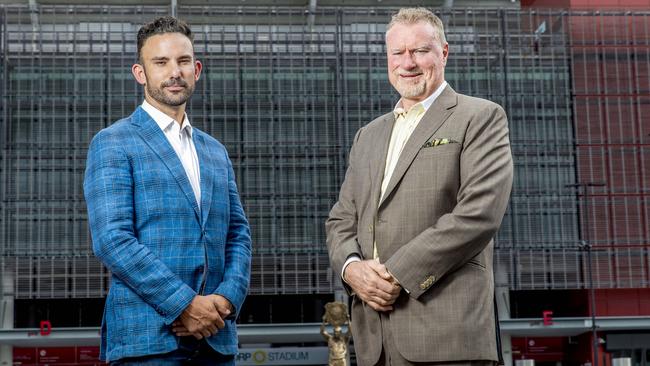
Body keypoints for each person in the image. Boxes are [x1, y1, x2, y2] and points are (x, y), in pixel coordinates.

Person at [326, 7, 513, 366]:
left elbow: (478, 214)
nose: (407, 62)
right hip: (374, 340)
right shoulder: (368, 135)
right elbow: (340, 220)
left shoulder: (480, 116)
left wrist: (395, 274)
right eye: (398, 53)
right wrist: (352, 269)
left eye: (420, 51)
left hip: (446, 334)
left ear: (443, 53)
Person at [84, 16, 251, 365]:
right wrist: (184, 305)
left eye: (183, 61)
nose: (174, 71)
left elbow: (238, 235)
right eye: (161, 62)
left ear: (197, 69)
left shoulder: (214, 151)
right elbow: (112, 239)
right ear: (140, 73)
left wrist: (226, 300)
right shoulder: (113, 142)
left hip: (216, 339)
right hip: (148, 341)